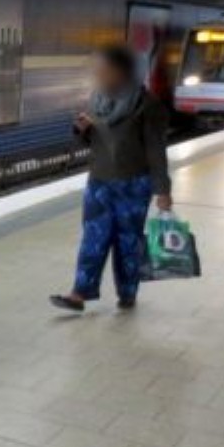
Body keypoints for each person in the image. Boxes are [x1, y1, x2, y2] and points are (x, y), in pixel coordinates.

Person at [50, 44, 171, 313]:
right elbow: (95, 141)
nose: (98, 75)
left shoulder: (147, 105)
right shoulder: (97, 100)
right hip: (99, 181)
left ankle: (127, 292)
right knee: (93, 237)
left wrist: (163, 190)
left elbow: (156, 150)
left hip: (134, 184)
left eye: (103, 70)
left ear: (121, 71)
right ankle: (79, 293)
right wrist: (82, 130)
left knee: (128, 241)